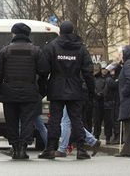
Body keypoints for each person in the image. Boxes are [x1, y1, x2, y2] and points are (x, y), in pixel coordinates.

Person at [0, 22, 49, 160]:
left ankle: (15, 147)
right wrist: (41, 91)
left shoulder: (5, 51)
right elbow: (44, 71)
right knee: (27, 121)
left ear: (14, 34)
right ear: (27, 35)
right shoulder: (36, 51)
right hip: (29, 93)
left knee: (11, 121)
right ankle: (23, 148)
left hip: (9, 93)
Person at [39, 21, 95, 160]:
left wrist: (43, 89)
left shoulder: (51, 47)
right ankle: (81, 149)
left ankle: (50, 149)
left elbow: (43, 70)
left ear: (60, 32)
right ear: (72, 31)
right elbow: (88, 71)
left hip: (56, 87)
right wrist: (91, 90)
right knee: (76, 119)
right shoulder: (81, 48)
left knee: (54, 120)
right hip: (75, 87)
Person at [93, 63, 116, 142]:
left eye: (106, 69)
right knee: (97, 121)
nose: (104, 71)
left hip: (107, 102)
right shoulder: (96, 78)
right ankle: (96, 137)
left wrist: (102, 93)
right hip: (97, 102)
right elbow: (93, 87)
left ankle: (108, 138)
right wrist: (96, 94)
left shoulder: (110, 78)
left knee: (108, 122)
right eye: (103, 69)